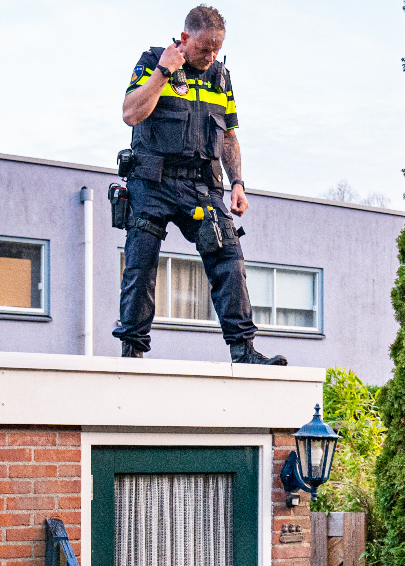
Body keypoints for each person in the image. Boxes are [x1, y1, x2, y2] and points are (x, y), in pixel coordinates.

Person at [115, 6, 285, 366]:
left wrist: (238, 182)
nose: (211, 57)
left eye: (217, 50)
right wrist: (164, 71)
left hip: (201, 186)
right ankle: (132, 352)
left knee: (228, 256)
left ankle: (244, 351)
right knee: (141, 262)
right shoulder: (152, 62)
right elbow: (131, 113)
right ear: (186, 38)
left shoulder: (221, 78)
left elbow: (229, 136)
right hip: (152, 181)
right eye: (205, 48)